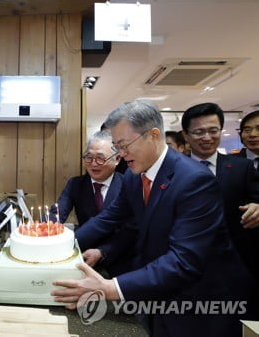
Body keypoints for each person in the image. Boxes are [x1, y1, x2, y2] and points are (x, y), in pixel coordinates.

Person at [52, 101, 254, 337]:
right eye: (117, 146)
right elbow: (109, 218)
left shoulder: (194, 180)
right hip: (157, 293)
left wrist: (110, 287)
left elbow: (184, 260)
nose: (121, 154)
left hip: (201, 299)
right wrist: (58, 247)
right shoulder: (133, 176)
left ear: (154, 135)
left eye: (124, 145)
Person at [181, 102, 259, 285]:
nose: (207, 137)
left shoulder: (242, 167)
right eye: (199, 132)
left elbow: (256, 199)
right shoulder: (172, 170)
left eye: (213, 130)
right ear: (185, 135)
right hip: (188, 261)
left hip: (236, 260)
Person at [49, 130, 122, 227]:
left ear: (117, 159)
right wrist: (43, 227)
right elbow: (57, 214)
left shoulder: (127, 184)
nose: (93, 163)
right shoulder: (75, 184)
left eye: (100, 158)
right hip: (84, 241)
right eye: (89, 157)